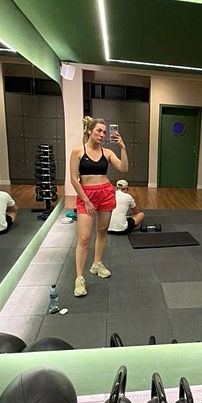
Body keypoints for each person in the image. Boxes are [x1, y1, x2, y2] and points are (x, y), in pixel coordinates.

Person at [69, 116, 128, 297]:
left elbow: (123, 168)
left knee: (102, 231)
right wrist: (86, 200)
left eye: (104, 131)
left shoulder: (107, 153)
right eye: (99, 131)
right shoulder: (78, 151)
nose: (102, 134)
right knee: (84, 238)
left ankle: (97, 263)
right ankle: (79, 278)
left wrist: (122, 147)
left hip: (106, 193)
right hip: (86, 195)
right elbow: (73, 179)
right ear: (90, 131)